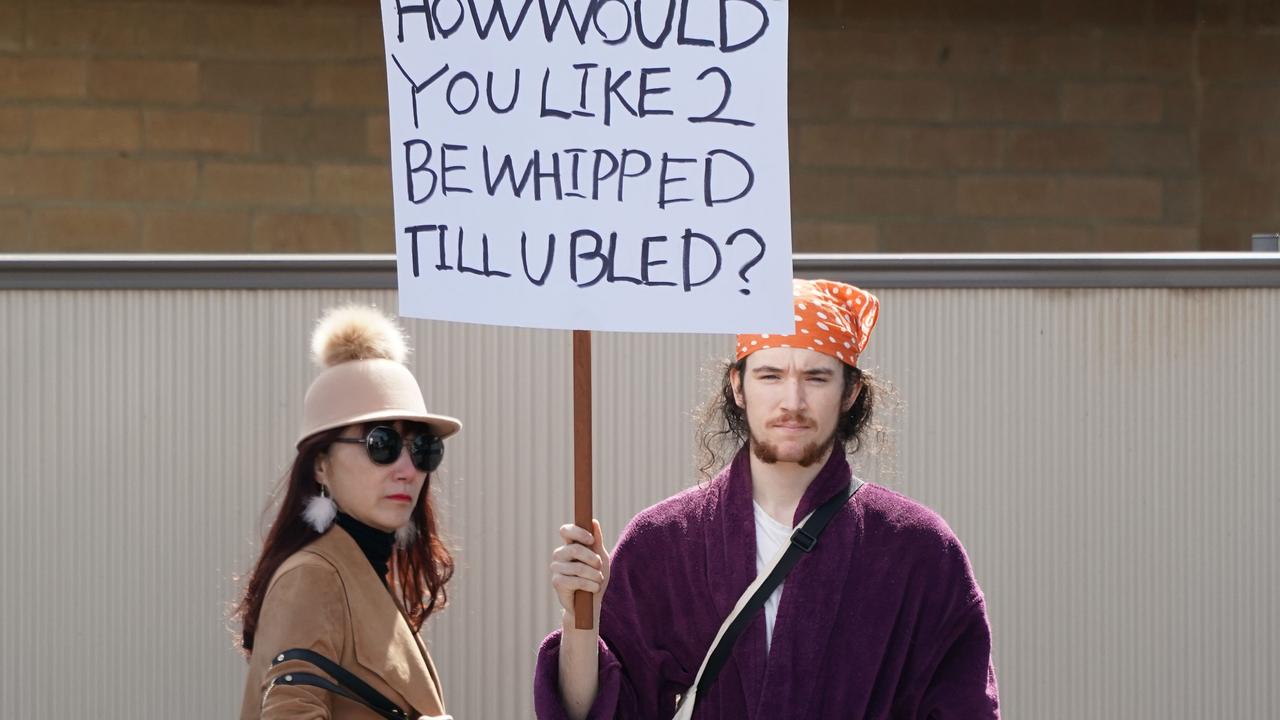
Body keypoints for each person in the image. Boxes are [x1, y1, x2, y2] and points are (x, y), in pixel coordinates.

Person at [536, 279, 999, 719]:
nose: (792, 401)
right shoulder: (663, 541)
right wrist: (583, 616)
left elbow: (965, 707)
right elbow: (596, 714)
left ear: (850, 392)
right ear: (739, 386)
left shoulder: (918, 550)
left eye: (816, 377)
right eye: (771, 375)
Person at [235, 305, 460, 719]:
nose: (407, 470)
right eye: (382, 445)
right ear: (321, 463)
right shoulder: (314, 576)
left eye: (423, 448)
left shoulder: (362, 574)